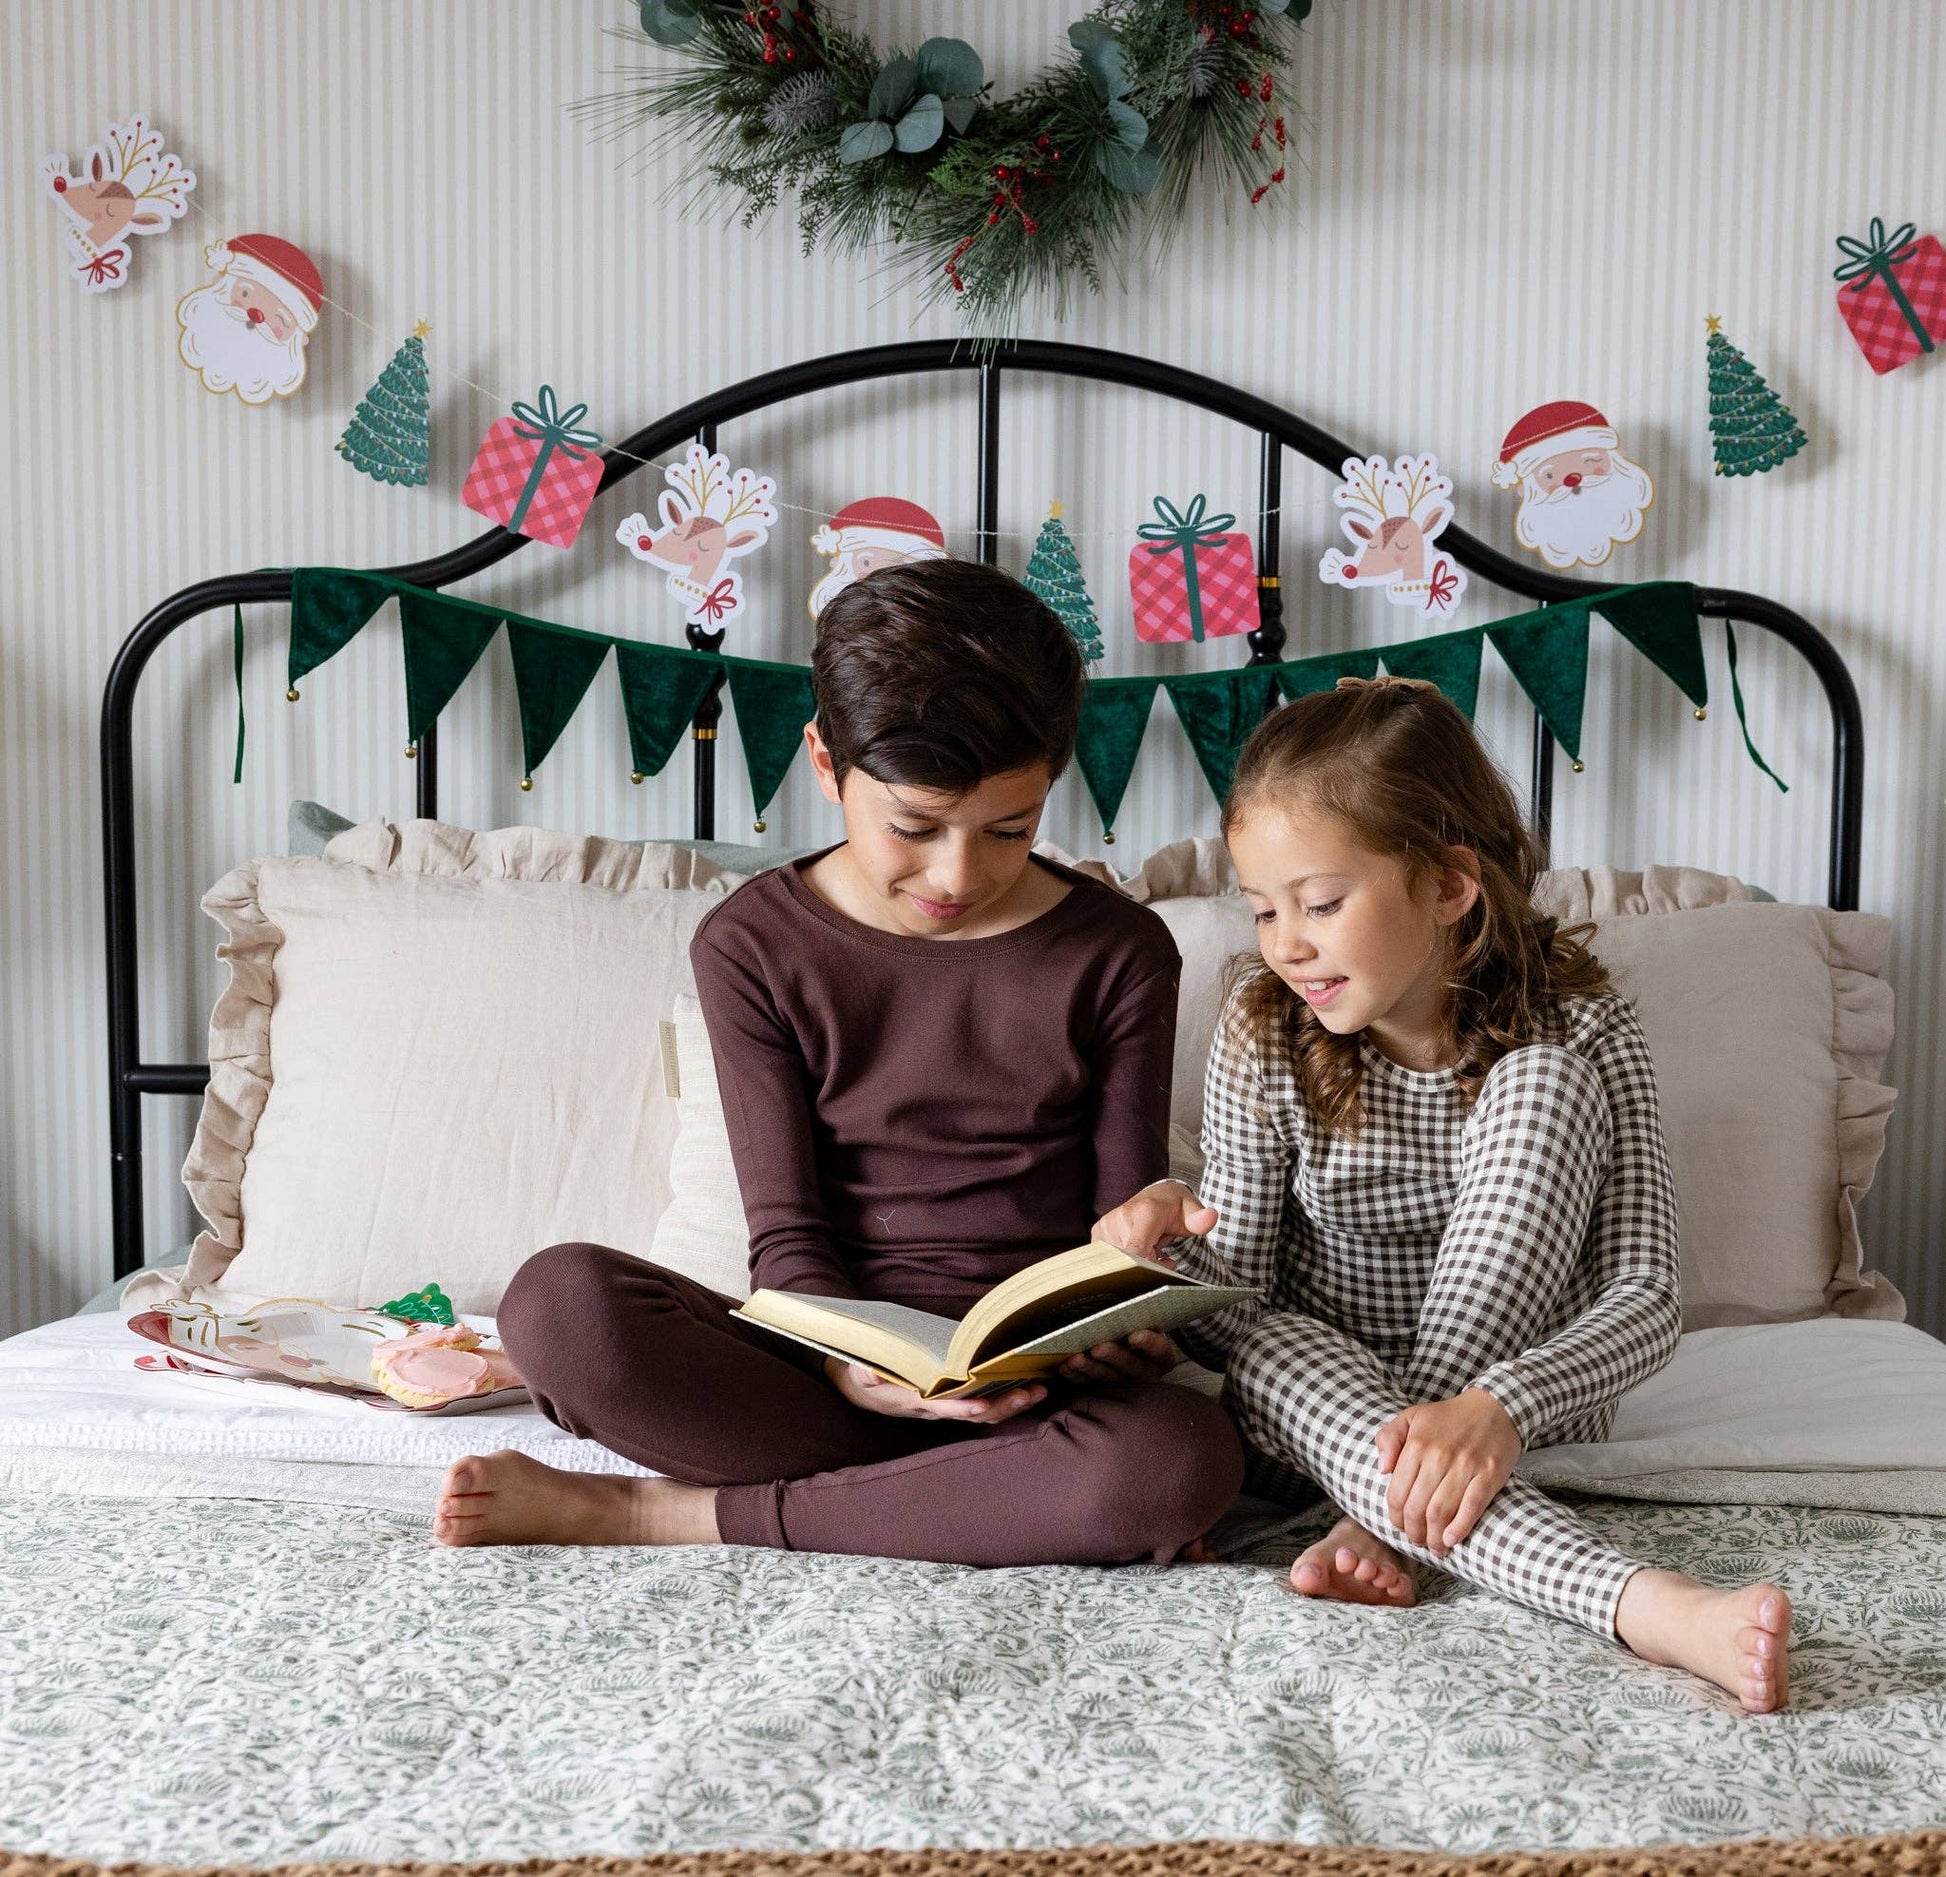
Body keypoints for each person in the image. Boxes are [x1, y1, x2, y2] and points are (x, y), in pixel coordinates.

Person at [434, 560, 1243, 1564]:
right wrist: (844, 1359)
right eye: (912, 826)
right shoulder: (751, 943)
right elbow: (786, 1231)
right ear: (824, 762)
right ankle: (947, 1501)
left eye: (1008, 828)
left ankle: (657, 1511)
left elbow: (1118, 1231)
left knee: (1176, 1460)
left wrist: (1126, 1317)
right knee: (558, 1304)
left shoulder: (1117, 950)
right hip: (816, 1375)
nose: (957, 872)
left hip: (1036, 1396)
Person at [1094, 677, 1793, 1712]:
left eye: (1320, 904)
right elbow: (1233, 1297)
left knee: (1539, 1078)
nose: (1286, 942)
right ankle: (1649, 1603)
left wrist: (1493, 1406)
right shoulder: (1262, 1030)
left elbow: (1644, 1298)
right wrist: (1158, 1242)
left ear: (1447, 883)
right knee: (1273, 1341)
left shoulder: (1583, 1031)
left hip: (1519, 1415)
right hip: (1315, 1421)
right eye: (1262, 909)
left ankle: (1385, 1520)